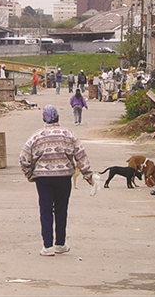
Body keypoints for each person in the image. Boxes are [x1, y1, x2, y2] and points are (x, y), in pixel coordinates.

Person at [19, 105, 93, 256]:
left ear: (43, 119)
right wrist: (88, 175)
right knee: (61, 210)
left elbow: (24, 157)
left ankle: (47, 247)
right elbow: (81, 155)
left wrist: (29, 174)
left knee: (45, 211)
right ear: (58, 118)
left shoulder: (36, 136)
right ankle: (60, 244)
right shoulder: (69, 133)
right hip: (64, 177)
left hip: (43, 179)